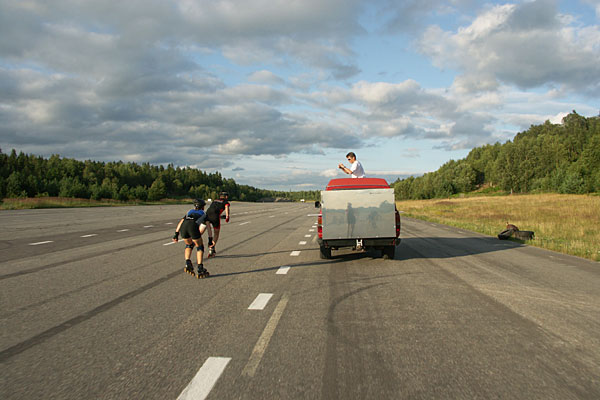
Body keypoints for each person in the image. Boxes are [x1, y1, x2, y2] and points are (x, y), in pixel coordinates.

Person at [172, 198, 210, 278]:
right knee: (199, 246)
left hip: (184, 227)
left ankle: (188, 263)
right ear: (202, 207)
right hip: (192, 227)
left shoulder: (189, 212)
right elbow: (208, 227)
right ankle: (200, 268)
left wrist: (176, 234)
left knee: (189, 245)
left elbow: (181, 222)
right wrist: (210, 239)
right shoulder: (203, 213)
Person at [204, 191, 230, 257]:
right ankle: (211, 248)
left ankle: (194, 240)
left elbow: (213, 209)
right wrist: (227, 216)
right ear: (226, 196)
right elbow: (226, 208)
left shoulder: (215, 200)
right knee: (216, 233)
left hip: (207, 214)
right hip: (215, 217)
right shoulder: (226, 202)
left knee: (204, 228)